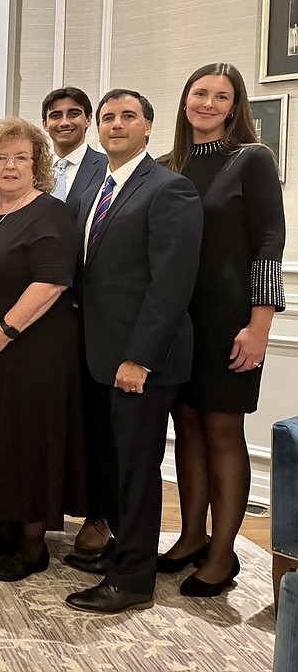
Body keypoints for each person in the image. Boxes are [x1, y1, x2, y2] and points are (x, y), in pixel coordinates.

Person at [64, 89, 202, 614]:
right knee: (111, 466)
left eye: (128, 117)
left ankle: (133, 582)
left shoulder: (170, 189)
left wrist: (139, 358)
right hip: (98, 355)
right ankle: (122, 550)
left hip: (140, 361)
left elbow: (172, 282)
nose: (116, 125)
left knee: (137, 472)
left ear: (149, 126)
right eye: (108, 118)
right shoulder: (96, 189)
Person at [158, 63, 285, 597]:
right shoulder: (166, 166)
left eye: (221, 96)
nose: (207, 103)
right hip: (176, 320)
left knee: (222, 432)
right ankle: (190, 536)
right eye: (199, 93)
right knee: (184, 426)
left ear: (235, 107)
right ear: (185, 100)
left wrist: (259, 326)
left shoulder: (251, 160)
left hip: (230, 320)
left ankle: (223, 552)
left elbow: (269, 244)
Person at [0, 118, 88, 582]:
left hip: (34, 351)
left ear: (38, 165)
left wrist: (5, 330)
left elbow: (51, 281)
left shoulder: (50, 212)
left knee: (30, 443)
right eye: (0, 157)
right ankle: (4, 529)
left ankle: (32, 545)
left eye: (21, 157)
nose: (10, 166)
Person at [39, 86, 110, 557]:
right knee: (51, 416)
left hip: (94, 312)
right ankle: (44, 508)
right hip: (44, 315)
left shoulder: (109, 170)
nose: (64, 122)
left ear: (87, 121)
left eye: (73, 114)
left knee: (97, 419)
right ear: (45, 122)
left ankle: (101, 515)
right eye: (55, 115)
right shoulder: (34, 171)